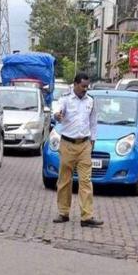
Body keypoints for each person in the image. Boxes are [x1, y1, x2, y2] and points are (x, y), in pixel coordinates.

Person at [53, 72, 103, 228]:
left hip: (84, 145)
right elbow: (57, 112)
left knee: (86, 181)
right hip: (67, 144)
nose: (85, 89)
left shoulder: (90, 101)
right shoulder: (66, 99)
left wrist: (92, 140)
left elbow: (93, 122)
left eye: (87, 86)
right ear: (75, 84)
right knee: (64, 181)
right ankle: (63, 213)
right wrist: (58, 116)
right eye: (83, 86)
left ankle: (86, 216)